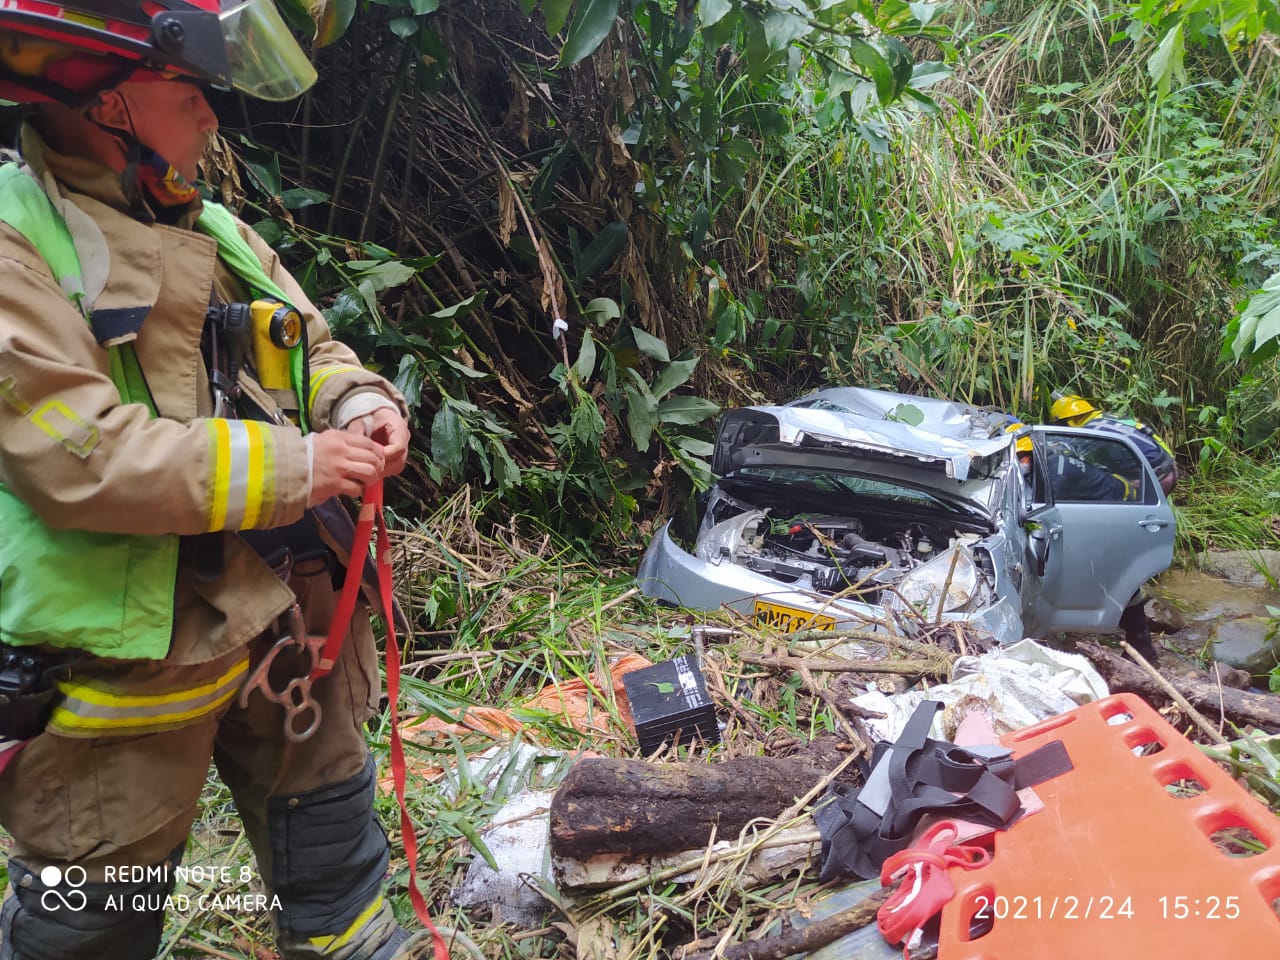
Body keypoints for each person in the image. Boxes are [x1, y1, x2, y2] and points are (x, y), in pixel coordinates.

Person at [0, 3, 421, 958]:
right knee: (90, 923)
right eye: (191, 93)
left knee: (334, 867)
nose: (212, 120)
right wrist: (300, 466)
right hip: (122, 674)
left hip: (288, 634)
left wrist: (355, 404)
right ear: (112, 103)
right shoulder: (17, 242)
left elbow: (311, 345)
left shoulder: (215, 226)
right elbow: (86, 455)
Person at [1006, 424, 1158, 661]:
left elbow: (1040, 513)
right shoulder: (1045, 465)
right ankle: (1140, 643)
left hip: (1117, 510)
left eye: (1021, 457)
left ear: (1031, 455)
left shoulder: (1056, 474)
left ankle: (1142, 646)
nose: (1020, 462)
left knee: (1114, 575)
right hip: (1102, 507)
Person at [1049, 393, 1178, 495]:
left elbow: (1075, 458)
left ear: (1070, 421)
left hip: (1156, 476)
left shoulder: (1091, 432)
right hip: (1167, 465)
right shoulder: (1105, 419)